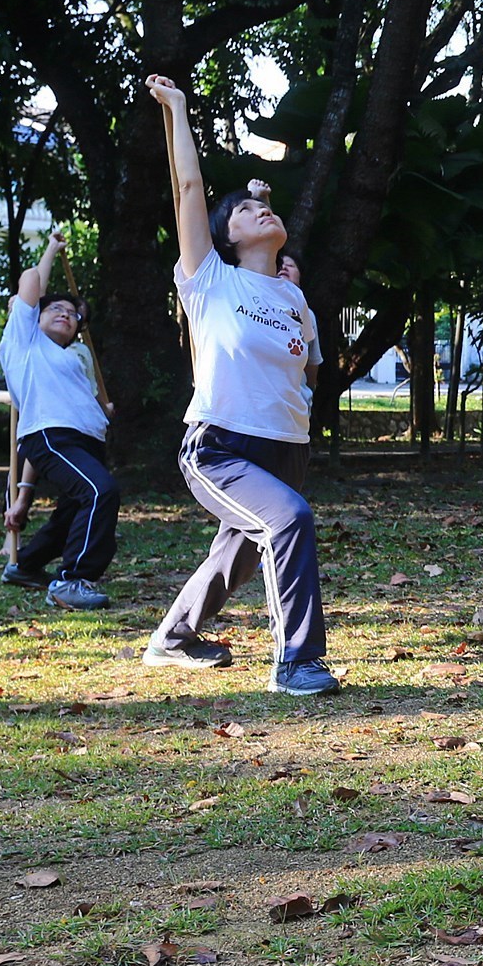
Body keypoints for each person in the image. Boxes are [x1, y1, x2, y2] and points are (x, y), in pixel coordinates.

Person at [140, 75, 340, 696]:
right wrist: (176, 110)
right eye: (251, 212)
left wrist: (263, 198)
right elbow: (189, 188)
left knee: (241, 550)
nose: (264, 213)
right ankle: (297, 663)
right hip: (220, 446)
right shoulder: (209, 281)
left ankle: (172, 639)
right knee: (288, 521)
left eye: (268, 210)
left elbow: (307, 369)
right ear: (227, 236)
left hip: (288, 444)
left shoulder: (291, 296)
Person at [0, 230, 118, 610]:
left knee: (73, 511)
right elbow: (32, 281)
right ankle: (73, 580)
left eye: (72, 315)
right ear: (34, 316)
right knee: (100, 492)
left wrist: (102, 412)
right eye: (56, 310)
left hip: (87, 441)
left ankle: (26, 566)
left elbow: (91, 402)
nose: (67, 315)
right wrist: (52, 248)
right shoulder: (24, 341)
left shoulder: (73, 359)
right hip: (52, 436)